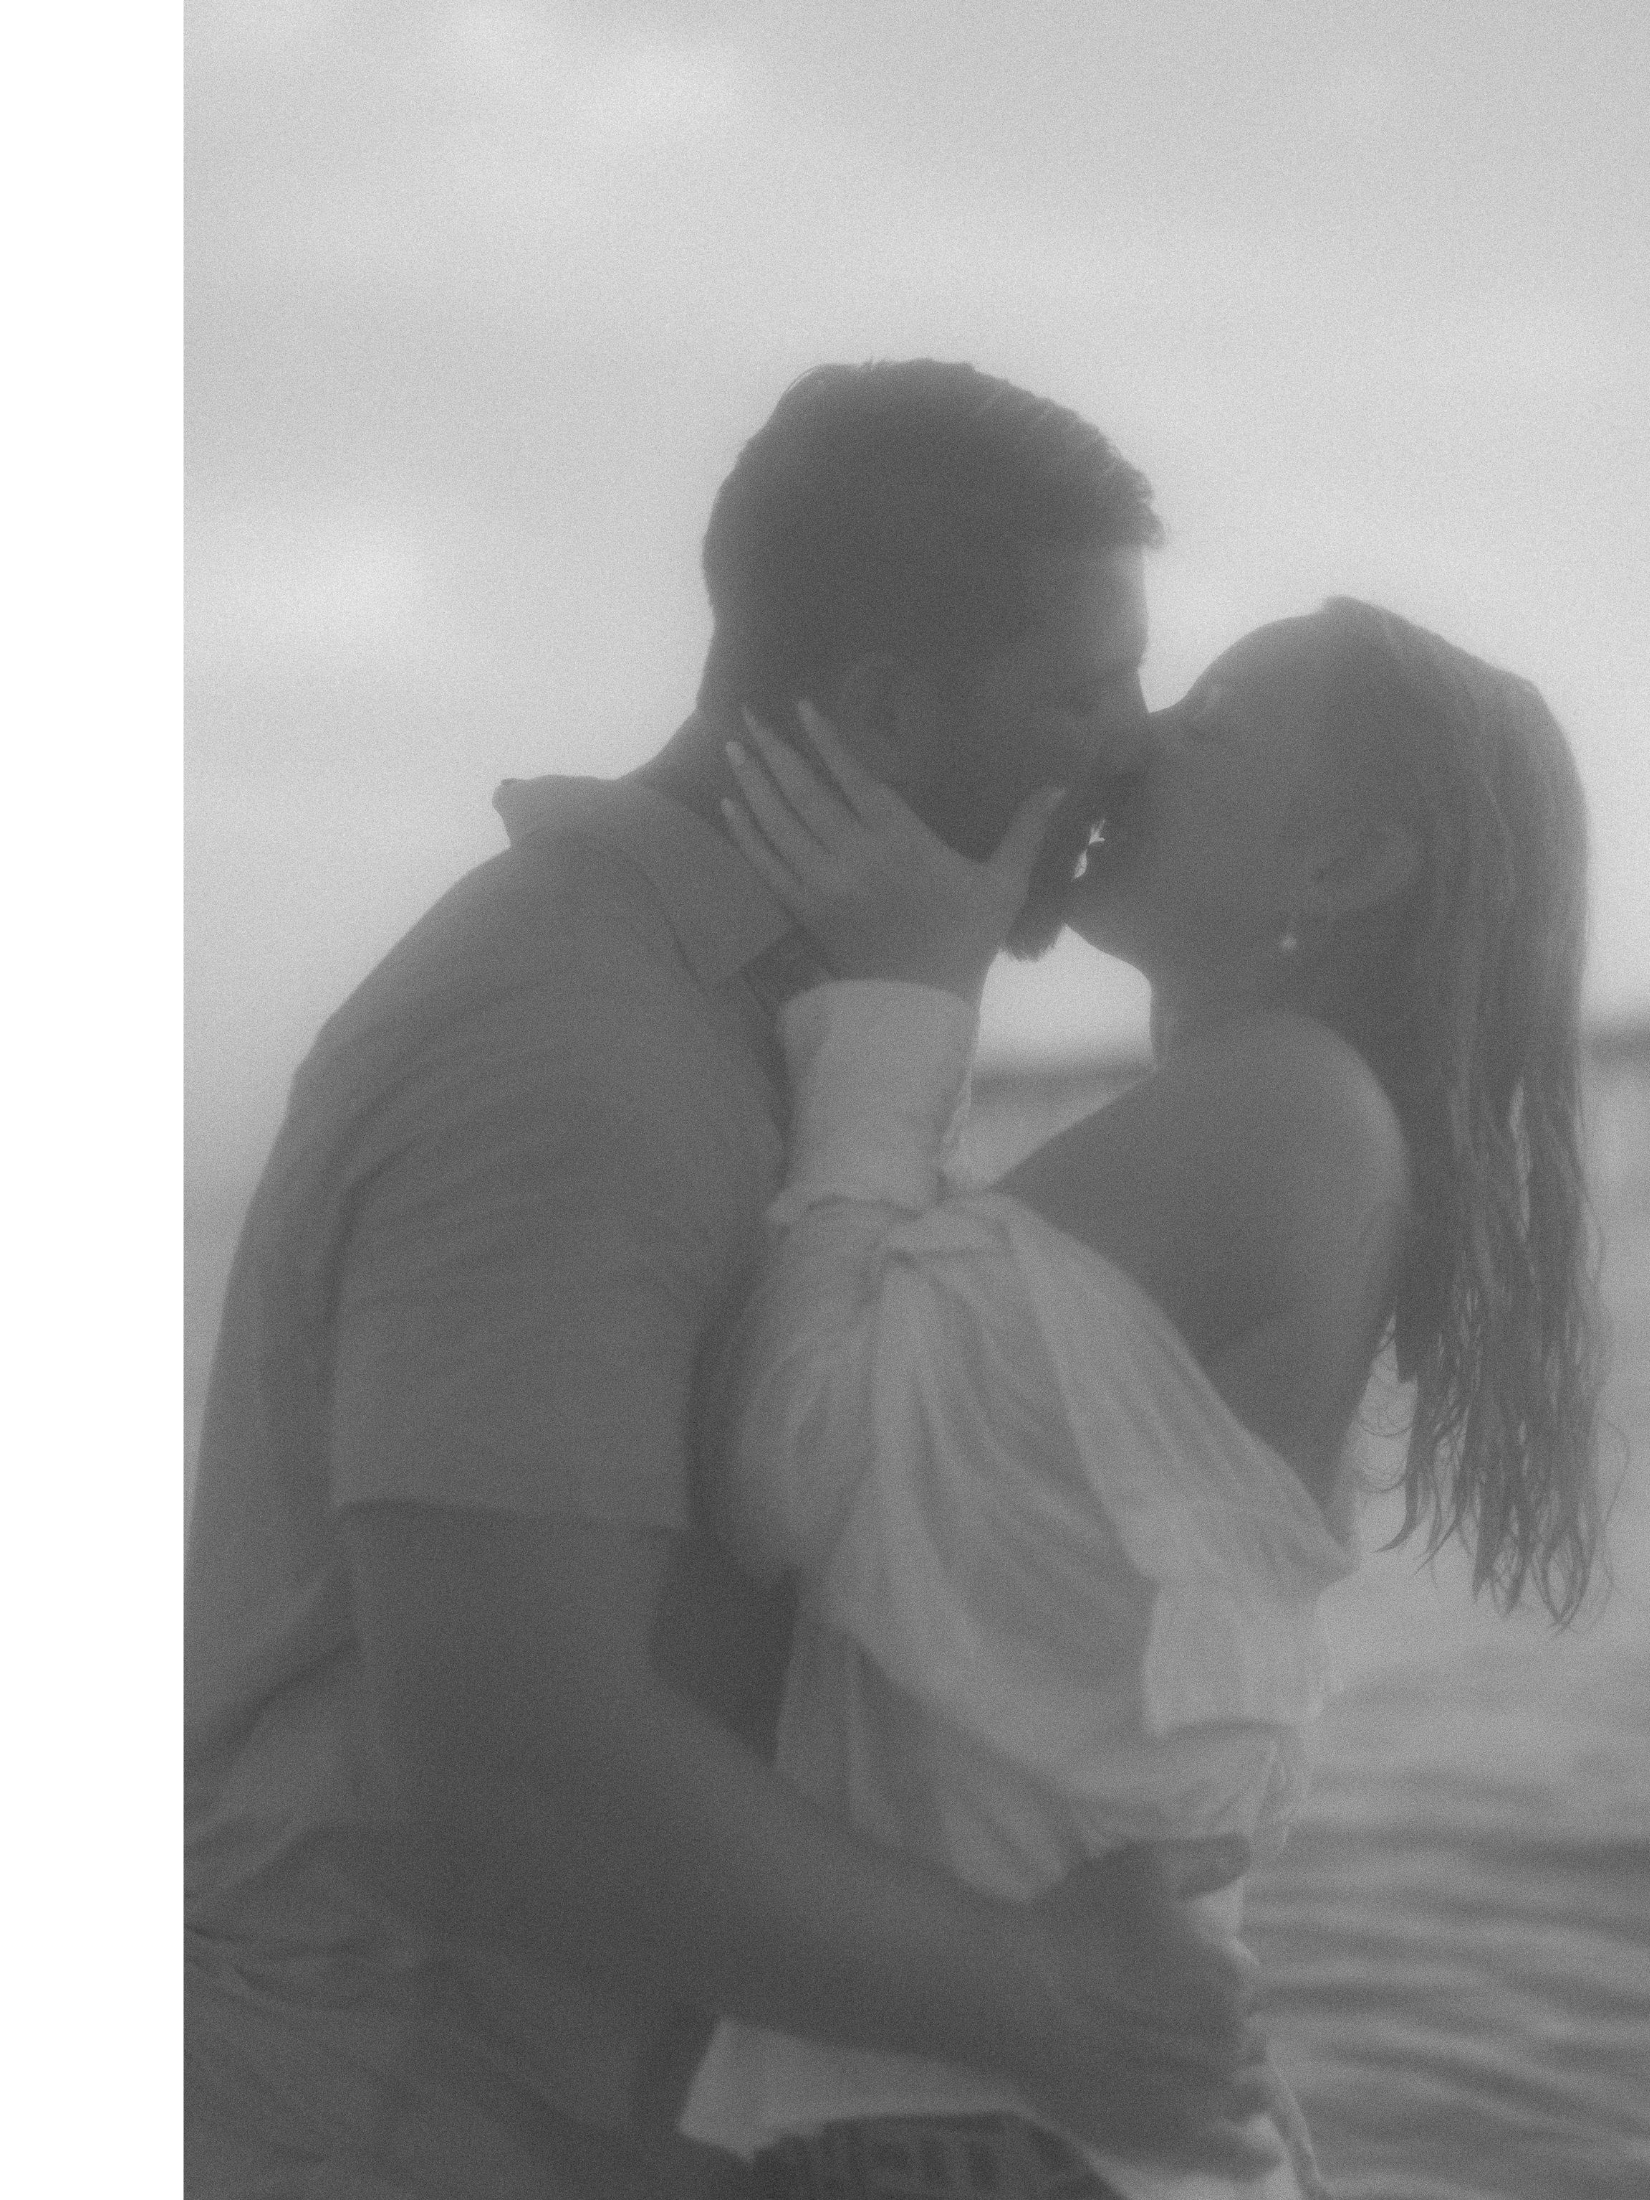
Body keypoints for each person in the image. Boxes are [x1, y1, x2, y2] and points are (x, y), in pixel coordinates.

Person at [183, 360, 1279, 2199]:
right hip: (398, 2120)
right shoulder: (571, 1045)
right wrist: (1046, 2003)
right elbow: (510, 1767)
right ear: (885, 709)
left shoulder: (780, 1019)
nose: (1137, 748)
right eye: (1088, 691)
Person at [684, 600, 1604, 2197]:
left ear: (1342, 866)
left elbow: (793, 1457)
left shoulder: (1281, 1107)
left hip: (982, 2140)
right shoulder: (1288, 1116)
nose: (1132, 738)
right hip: (1026, 2129)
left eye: (1211, 723)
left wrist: (907, 995)